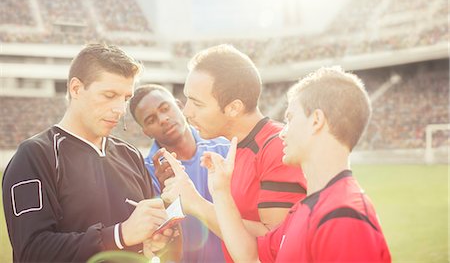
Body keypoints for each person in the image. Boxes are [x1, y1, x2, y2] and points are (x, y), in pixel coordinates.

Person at [2, 44, 180, 262]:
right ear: (76, 89)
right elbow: (32, 251)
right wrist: (119, 235)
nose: (120, 109)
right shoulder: (36, 155)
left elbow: (141, 243)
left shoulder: (130, 155)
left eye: (125, 98)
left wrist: (153, 240)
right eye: (109, 95)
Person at [194, 66, 391, 262]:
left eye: (290, 118)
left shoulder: (344, 217)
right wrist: (220, 191)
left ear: (316, 120)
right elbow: (251, 257)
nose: (282, 132)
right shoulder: (302, 210)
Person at [160, 44, 307, 262]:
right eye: (187, 99)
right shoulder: (237, 148)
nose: (186, 112)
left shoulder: (276, 147)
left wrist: (195, 203)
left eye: (197, 104)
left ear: (234, 108)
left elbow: (276, 246)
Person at [129, 84, 229, 263]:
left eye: (165, 109)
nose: (163, 119)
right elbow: (157, 244)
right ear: (146, 132)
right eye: (151, 119)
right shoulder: (145, 173)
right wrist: (166, 199)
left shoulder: (224, 147)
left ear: (179, 105)